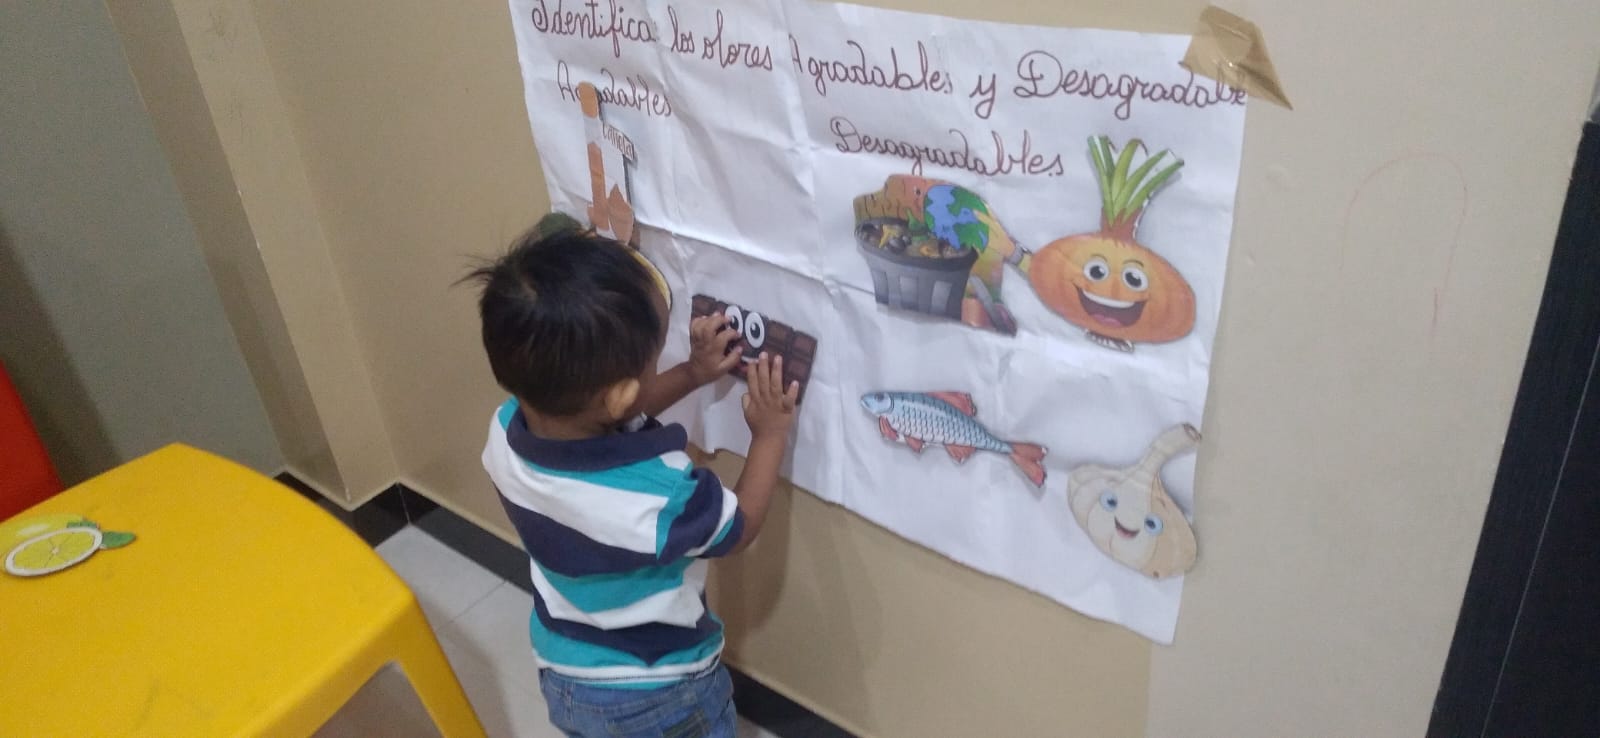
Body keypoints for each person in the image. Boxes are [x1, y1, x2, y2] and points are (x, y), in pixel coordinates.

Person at [468, 214, 798, 737]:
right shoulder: (660, 495)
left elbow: (607, 412)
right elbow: (740, 527)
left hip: (566, 672)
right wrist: (770, 435)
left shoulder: (506, 431)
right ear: (621, 396)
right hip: (660, 691)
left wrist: (692, 372)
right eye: (654, 359)